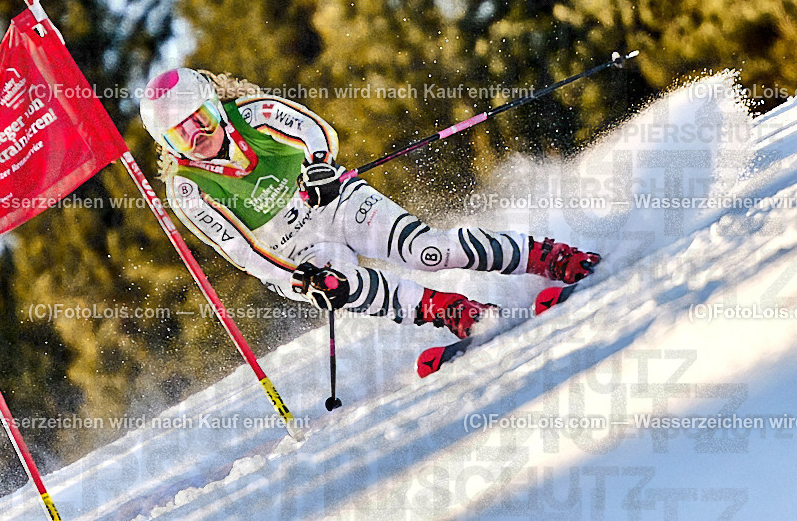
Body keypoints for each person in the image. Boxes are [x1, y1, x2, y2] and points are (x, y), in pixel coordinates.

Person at [139, 68, 600, 341]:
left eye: (199, 119)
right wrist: (297, 278)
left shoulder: (253, 113)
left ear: (214, 106)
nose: (197, 136)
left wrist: (319, 165)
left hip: (334, 202)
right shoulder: (187, 189)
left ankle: (547, 256)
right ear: (168, 142)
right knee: (341, 286)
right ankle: (455, 311)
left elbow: (313, 130)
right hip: (295, 252)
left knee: (427, 252)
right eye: (181, 132)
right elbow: (240, 250)